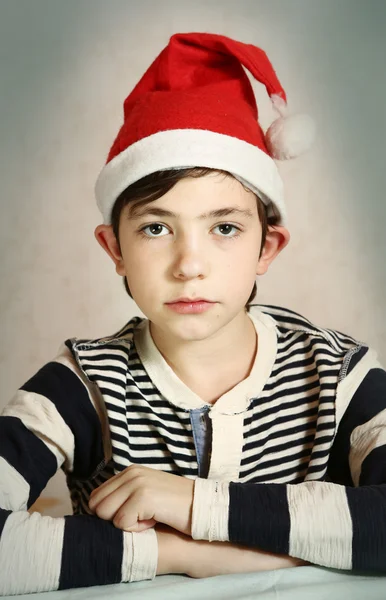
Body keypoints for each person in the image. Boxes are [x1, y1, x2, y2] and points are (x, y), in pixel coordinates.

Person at [0, 32, 385, 596]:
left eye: (224, 228)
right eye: (156, 228)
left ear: (266, 248)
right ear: (115, 249)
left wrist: (194, 503)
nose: (189, 265)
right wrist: (183, 554)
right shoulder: (79, 384)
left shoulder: (336, 372)